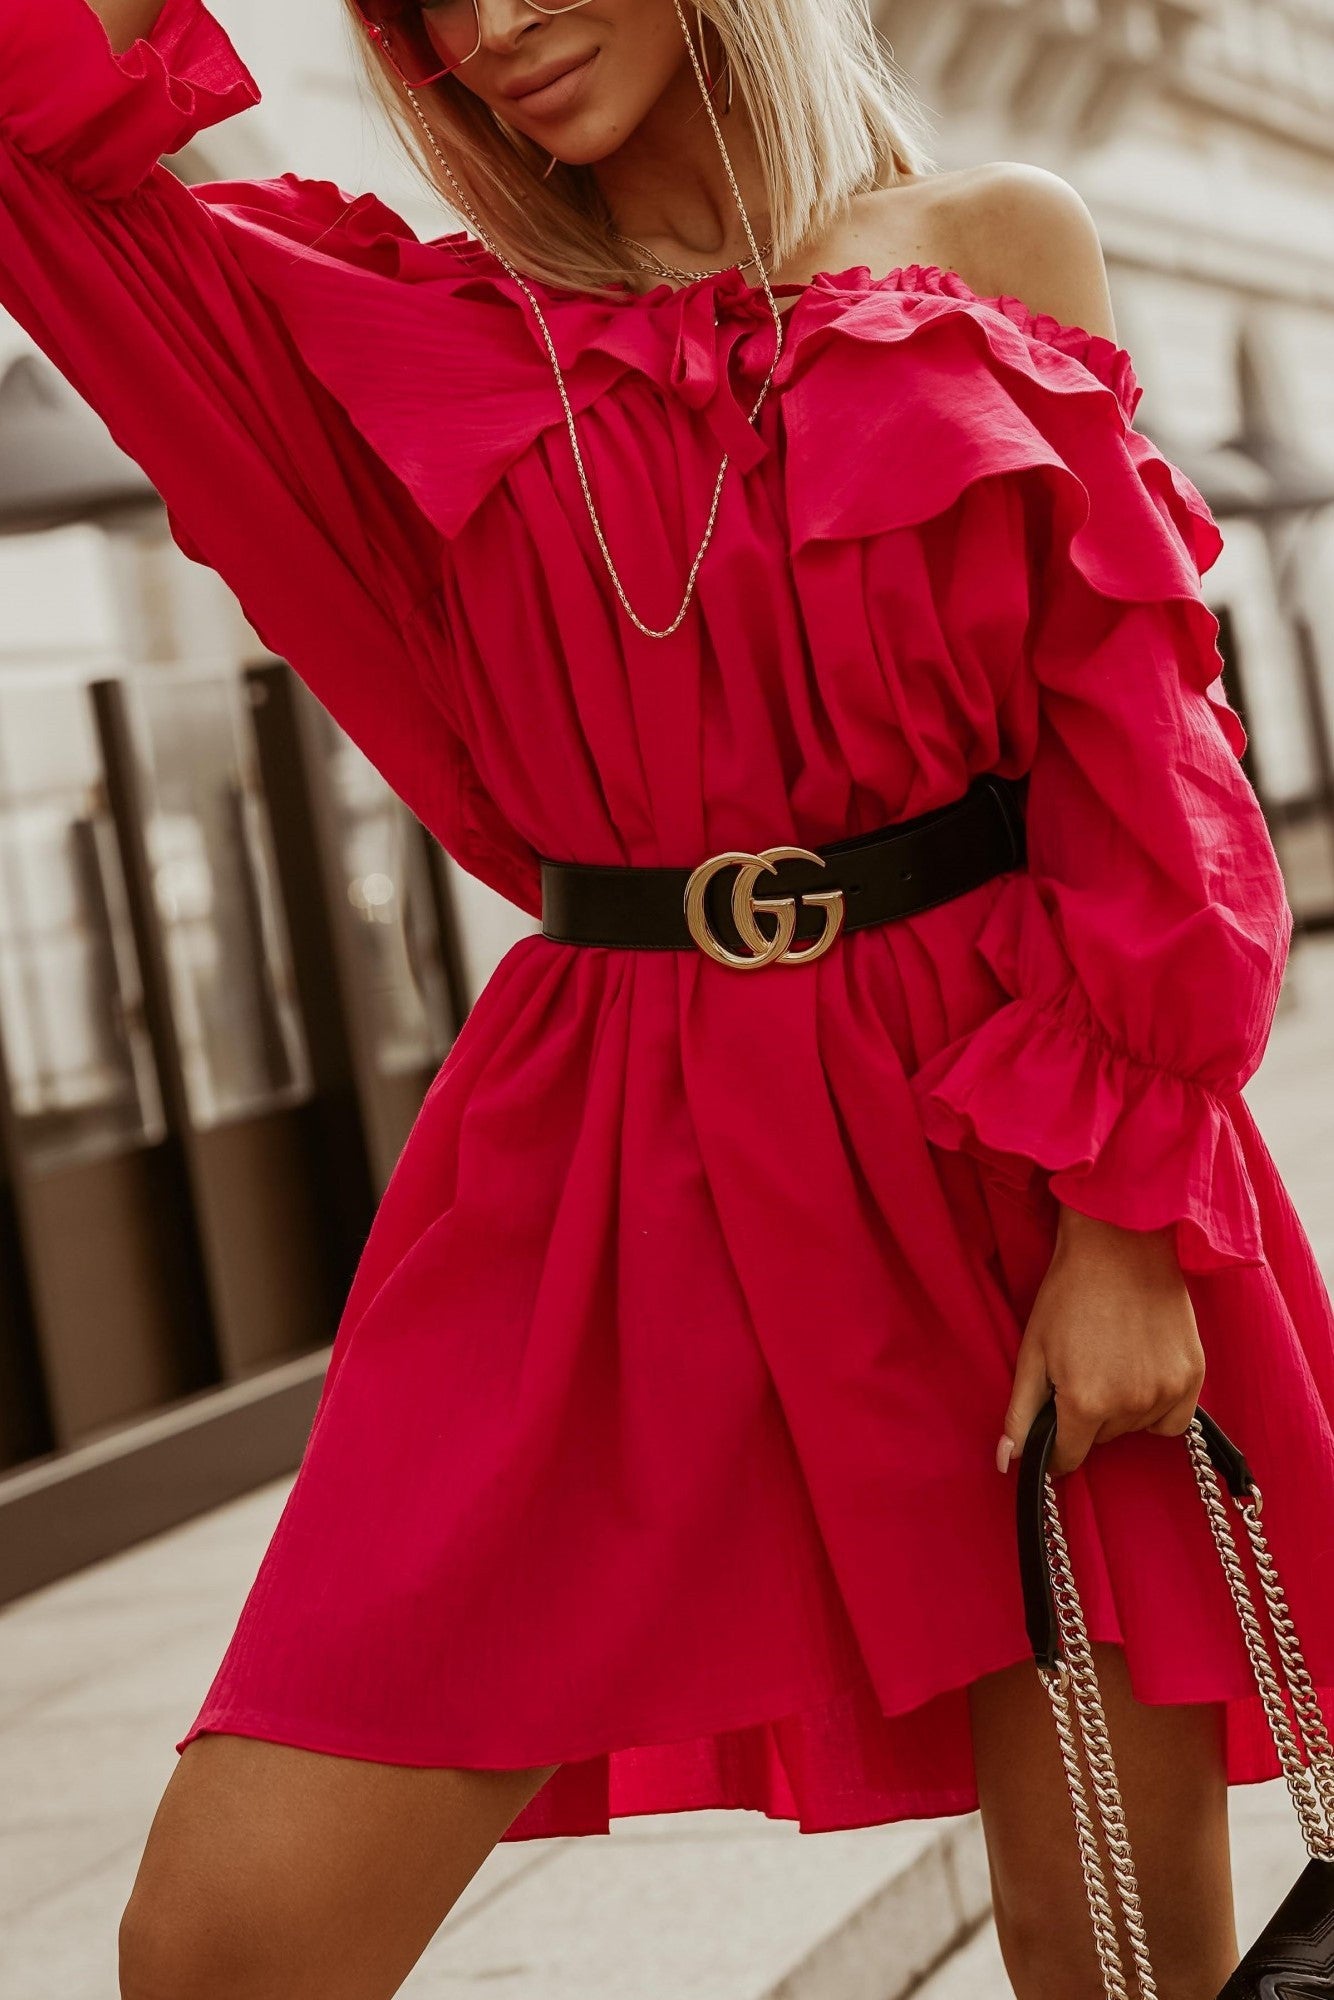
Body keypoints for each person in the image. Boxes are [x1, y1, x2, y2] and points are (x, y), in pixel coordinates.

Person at [2, 1, 1331, 1995]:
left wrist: (1129, 1215)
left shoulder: (989, 241)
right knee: (230, 1939)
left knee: (1110, 1949)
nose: (496, 27)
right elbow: (49, 156)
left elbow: (1142, 747)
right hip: (610, 1145)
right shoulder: (389, 327)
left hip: (1009, 1120)